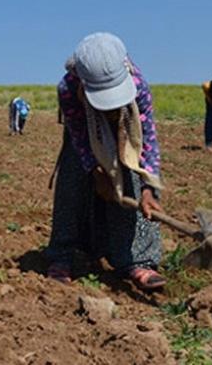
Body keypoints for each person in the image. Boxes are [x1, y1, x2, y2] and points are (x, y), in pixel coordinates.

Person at [45, 33, 167, 291]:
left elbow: (148, 141)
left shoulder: (139, 85)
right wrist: (95, 170)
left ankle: (137, 259)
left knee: (131, 177)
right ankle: (62, 256)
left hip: (125, 131)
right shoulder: (68, 89)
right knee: (72, 182)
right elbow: (78, 136)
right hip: (86, 131)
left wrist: (148, 187)